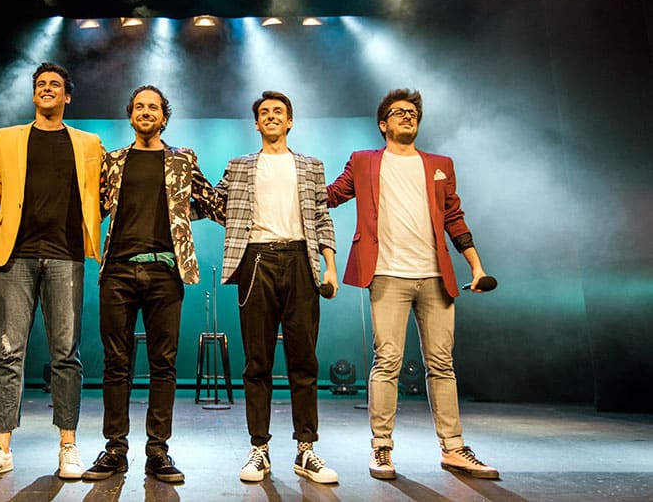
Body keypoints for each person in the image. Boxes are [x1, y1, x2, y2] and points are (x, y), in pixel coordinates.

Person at [325, 88, 500, 480]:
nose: (407, 116)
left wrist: (476, 266)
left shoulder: (439, 164)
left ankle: (453, 448)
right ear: (382, 124)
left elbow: (454, 217)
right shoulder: (364, 161)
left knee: (442, 364)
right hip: (387, 273)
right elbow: (331, 196)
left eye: (412, 112)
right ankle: (382, 448)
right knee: (387, 361)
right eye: (398, 112)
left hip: (435, 277)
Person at [0, 62, 104, 481]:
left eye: (55, 84)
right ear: (34, 94)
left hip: (66, 256)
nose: (47, 89)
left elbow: (103, 194)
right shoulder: (7, 138)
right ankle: (0, 448)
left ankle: (68, 445)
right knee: (8, 353)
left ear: (67, 96)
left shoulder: (89, 143)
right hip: (14, 256)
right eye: (40, 84)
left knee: (66, 354)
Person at [81, 85, 225, 484]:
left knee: (163, 364)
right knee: (116, 364)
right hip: (118, 271)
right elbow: (94, 208)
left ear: (164, 117)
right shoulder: (113, 160)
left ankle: (157, 451)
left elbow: (213, 203)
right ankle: (115, 450)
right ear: (131, 115)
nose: (146, 112)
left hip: (165, 271)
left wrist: (185, 213)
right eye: (139, 107)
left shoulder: (182, 159)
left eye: (153, 107)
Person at [211, 90, 340, 484]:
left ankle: (306, 449)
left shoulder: (311, 166)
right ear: (256, 123)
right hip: (256, 260)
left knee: (304, 360)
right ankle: (259, 449)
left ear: (290, 121)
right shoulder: (239, 166)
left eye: (278, 112)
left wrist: (330, 267)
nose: (271, 116)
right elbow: (215, 204)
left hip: (301, 260)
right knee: (257, 362)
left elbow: (322, 217)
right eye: (264, 112)